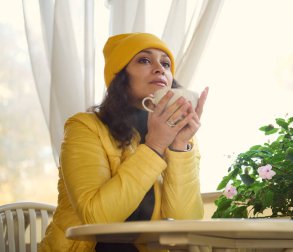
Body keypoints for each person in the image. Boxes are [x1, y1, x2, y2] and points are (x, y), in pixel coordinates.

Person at [39, 32, 208, 252]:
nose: (160, 69)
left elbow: (186, 221)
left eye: (166, 64)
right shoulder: (84, 127)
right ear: (119, 76)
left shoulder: (178, 137)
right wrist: (154, 147)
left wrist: (179, 147)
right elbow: (97, 218)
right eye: (145, 60)